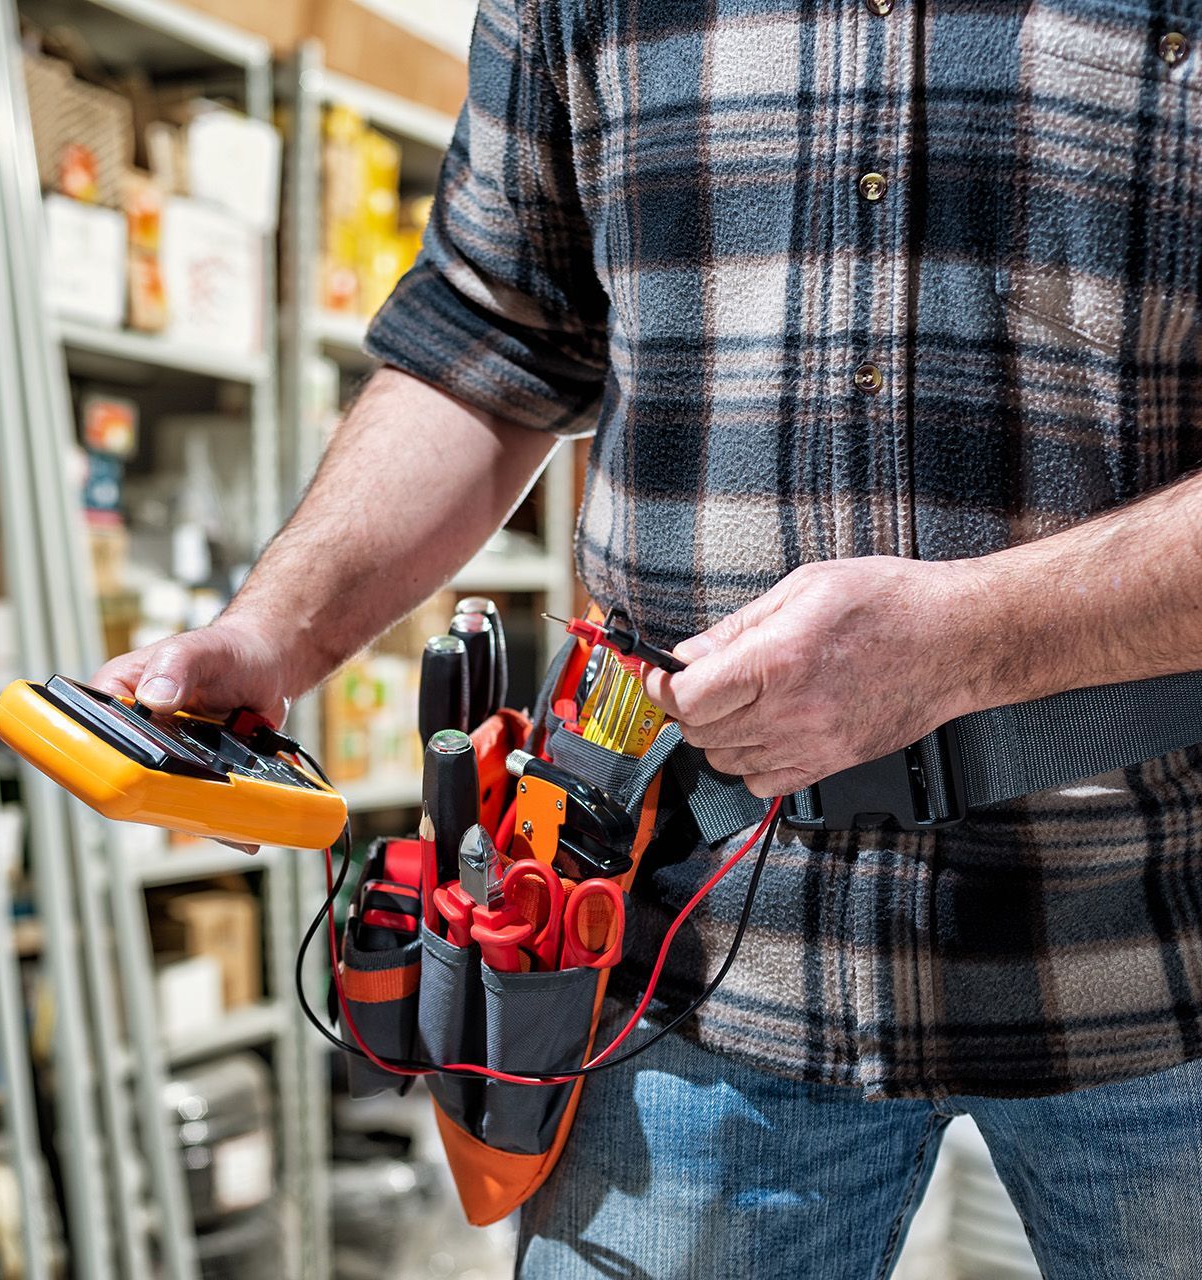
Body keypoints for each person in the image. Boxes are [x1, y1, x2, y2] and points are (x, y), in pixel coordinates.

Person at [97, 0, 1202, 1275]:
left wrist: (975, 640)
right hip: (680, 954)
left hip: (1155, 942)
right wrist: (278, 630)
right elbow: (492, 332)